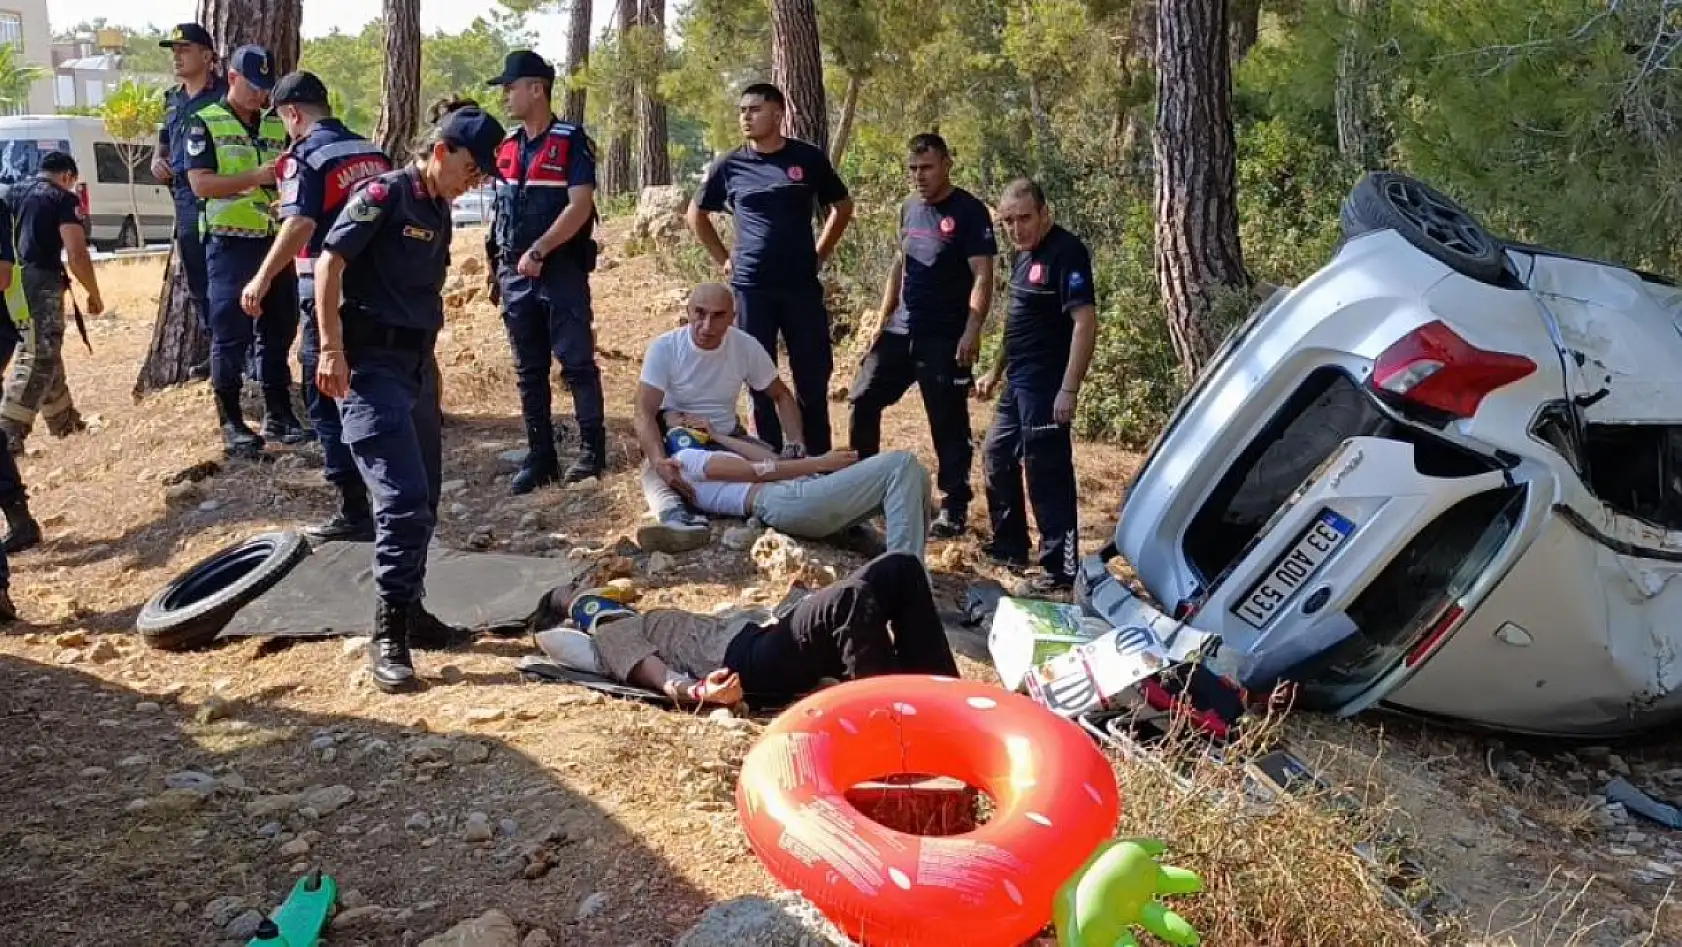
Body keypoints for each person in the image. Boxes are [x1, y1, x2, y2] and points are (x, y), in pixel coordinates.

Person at [313, 100, 506, 693]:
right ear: (442, 150)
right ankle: (388, 633)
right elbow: (329, 263)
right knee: (400, 501)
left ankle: (413, 608)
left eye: (480, 178)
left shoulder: (438, 209)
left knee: (424, 502)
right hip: (368, 368)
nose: (471, 183)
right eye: (469, 169)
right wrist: (330, 348)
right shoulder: (383, 195)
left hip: (416, 367)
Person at [245, 71, 393, 542]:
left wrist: (263, 276)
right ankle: (390, 499)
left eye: (284, 120)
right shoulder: (372, 152)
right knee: (377, 395)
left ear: (292, 113)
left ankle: (353, 511)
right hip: (381, 294)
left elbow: (300, 224)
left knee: (326, 401)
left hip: (328, 295)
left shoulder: (303, 156)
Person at [533, 552, 959, 709]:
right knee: (849, 600)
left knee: (900, 568)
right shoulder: (612, 633)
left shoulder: (647, 618)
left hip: (765, 638)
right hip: (748, 663)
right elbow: (658, 677)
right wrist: (699, 692)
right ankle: (892, 728)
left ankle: (948, 701)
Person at [685, 82, 854, 456]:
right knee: (760, 381)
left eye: (755, 109)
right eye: (742, 110)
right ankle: (770, 462)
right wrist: (724, 258)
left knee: (812, 379)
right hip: (751, 289)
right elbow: (696, 215)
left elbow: (842, 207)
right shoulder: (730, 164)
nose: (746, 116)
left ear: (778, 114)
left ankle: (817, 462)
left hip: (801, 287)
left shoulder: (807, 159)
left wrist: (820, 252)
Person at [848, 133, 996, 539]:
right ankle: (861, 489)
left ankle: (954, 506)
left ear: (947, 163)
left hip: (945, 334)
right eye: (913, 169)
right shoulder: (908, 208)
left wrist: (972, 328)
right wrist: (881, 319)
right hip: (901, 328)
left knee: (947, 419)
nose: (919, 177)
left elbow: (983, 273)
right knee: (862, 398)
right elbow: (900, 263)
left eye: (927, 168)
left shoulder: (969, 211)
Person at [485, 50, 607, 493]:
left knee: (576, 363)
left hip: (560, 270)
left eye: (511, 87)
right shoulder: (508, 146)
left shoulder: (571, 140)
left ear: (536, 88)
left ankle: (593, 453)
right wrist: (493, 269)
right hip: (513, 272)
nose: (506, 96)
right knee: (527, 368)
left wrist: (540, 249)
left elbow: (580, 205)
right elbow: (498, 214)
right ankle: (541, 457)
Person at [977, 179, 1098, 593]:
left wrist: (1070, 389)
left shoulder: (1067, 252)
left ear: (1045, 213)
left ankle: (1059, 571)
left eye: (1024, 218)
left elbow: (1084, 322)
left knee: (1047, 476)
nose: (1016, 228)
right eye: (1008, 221)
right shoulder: (1022, 257)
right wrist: (995, 370)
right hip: (1017, 382)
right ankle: (1010, 544)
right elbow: (1016, 322)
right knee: (995, 454)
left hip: (1048, 384)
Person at [185, 43, 305, 458]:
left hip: (275, 242)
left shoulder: (275, 124)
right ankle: (232, 420)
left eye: (266, 89)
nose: (260, 96)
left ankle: (279, 413)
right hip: (230, 243)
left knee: (279, 327)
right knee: (230, 333)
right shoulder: (205, 123)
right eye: (254, 86)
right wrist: (255, 176)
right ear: (232, 78)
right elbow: (200, 184)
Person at [634, 282, 805, 553]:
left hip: (726, 435)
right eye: (700, 313)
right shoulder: (665, 348)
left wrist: (795, 442)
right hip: (679, 438)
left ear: (732, 317)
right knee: (658, 470)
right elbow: (643, 411)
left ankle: (837, 512)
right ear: (687, 311)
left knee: (781, 467)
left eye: (718, 316)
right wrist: (657, 459)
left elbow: (782, 395)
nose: (706, 325)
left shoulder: (745, 346)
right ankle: (675, 518)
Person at [663, 421, 932, 560]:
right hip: (779, 499)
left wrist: (718, 437)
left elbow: (770, 460)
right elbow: (755, 471)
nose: (689, 417)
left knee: (917, 475)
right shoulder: (686, 458)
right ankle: (904, 579)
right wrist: (820, 462)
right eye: (680, 416)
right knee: (901, 463)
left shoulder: (700, 457)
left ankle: (909, 572)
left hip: (793, 493)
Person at [0, 151, 102, 453]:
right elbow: (77, 253)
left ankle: (64, 421)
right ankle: (8, 432)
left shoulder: (12, 192)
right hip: (39, 281)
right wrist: (93, 293)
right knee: (38, 354)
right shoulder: (62, 199)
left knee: (44, 348)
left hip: (10, 280)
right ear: (67, 177)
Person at [153, 22, 227, 360]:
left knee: (229, 274)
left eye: (184, 49)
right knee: (197, 276)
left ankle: (241, 353)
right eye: (174, 51)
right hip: (184, 194)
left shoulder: (226, 95)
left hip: (223, 192)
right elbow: (164, 141)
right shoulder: (172, 98)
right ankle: (218, 351)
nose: (177, 57)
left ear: (207, 55)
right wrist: (158, 160)